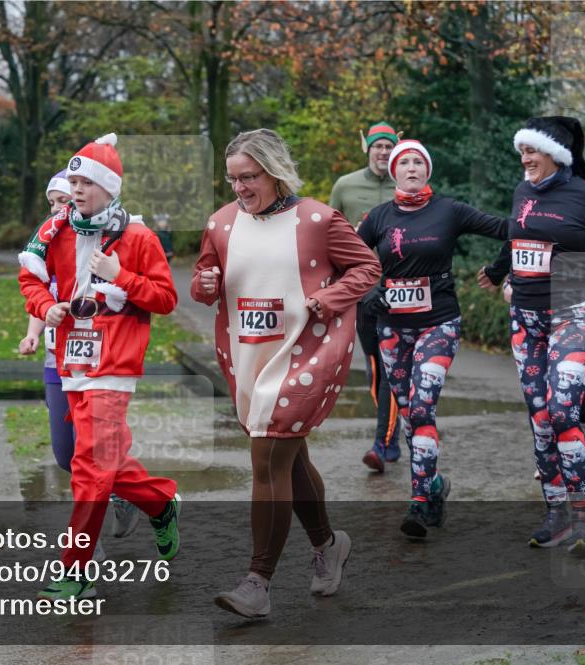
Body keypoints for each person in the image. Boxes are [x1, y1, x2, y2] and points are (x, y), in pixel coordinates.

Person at [192, 129, 380, 618]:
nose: (240, 188)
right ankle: (328, 544)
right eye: (233, 179)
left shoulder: (317, 219)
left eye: (249, 177)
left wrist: (326, 300)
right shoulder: (221, 224)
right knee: (288, 460)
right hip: (249, 357)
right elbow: (203, 284)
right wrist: (205, 282)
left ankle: (258, 581)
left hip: (306, 353)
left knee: (267, 457)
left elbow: (367, 267)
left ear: (275, 173)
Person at [18, 133, 181, 601]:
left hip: (116, 363)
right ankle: (159, 502)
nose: (77, 189)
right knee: (95, 461)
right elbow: (29, 277)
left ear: (109, 187)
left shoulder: (139, 236)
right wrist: (45, 304)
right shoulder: (58, 231)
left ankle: (77, 568)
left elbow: (166, 299)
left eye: (86, 181)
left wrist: (120, 278)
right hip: (71, 360)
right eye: (73, 180)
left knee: (89, 465)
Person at [478, 116, 585, 554]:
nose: (524, 158)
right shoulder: (523, 192)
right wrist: (499, 271)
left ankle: (581, 519)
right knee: (540, 419)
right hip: (526, 318)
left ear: (555, 155)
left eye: (531, 150)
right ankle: (555, 512)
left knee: (561, 411)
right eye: (521, 151)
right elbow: (516, 236)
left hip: (574, 315)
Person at [358, 139, 507, 539]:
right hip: (391, 326)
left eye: (418, 162)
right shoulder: (377, 217)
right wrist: (369, 288)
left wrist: (502, 266)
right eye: (403, 162)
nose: (410, 167)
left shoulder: (449, 210)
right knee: (409, 415)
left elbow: (508, 228)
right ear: (393, 171)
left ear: (428, 170)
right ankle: (435, 485)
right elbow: (348, 259)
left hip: (438, 323)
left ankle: (420, 502)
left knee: (422, 408)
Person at [17, 171, 139, 548]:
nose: (57, 208)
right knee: (65, 454)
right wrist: (34, 332)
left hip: (98, 364)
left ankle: (89, 540)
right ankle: (131, 492)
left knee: (90, 456)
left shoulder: (101, 244)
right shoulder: (49, 243)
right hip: (57, 362)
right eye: (52, 202)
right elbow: (39, 295)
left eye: (63, 201)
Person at [330, 122, 404, 472]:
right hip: (360, 292)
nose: (384, 153)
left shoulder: (405, 184)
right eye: (378, 147)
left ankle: (384, 442)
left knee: (391, 366)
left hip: (400, 292)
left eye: (389, 147)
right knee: (376, 367)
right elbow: (327, 236)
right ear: (368, 149)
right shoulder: (345, 186)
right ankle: (392, 424)